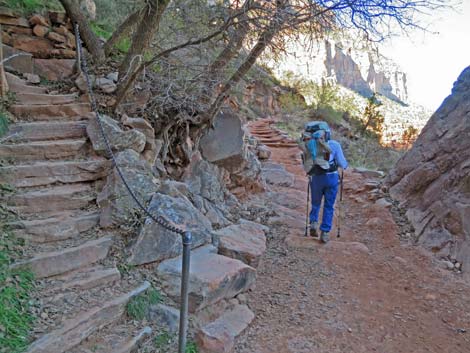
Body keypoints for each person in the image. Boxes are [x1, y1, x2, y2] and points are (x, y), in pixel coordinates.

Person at [306, 128, 348, 243]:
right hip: (331, 178)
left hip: (316, 177)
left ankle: (313, 222)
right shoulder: (335, 145)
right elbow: (342, 163)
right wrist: (345, 165)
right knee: (329, 205)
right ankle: (325, 232)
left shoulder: (311, 145)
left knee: (315, 203)